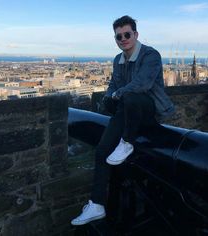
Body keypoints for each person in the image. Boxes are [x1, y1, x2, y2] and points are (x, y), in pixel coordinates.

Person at [71, 15, 175, 226]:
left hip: (148, 109)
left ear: (135, 35)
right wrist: (110, 98)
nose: (123, 39)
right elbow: (113, 85)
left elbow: (142, 84)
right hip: (126, 111)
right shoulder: (118, 60)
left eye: (127, 34)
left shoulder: (151, 55)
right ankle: (97, 204)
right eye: (119, 36)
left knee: (131, 95)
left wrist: (117, 95)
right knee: (102, 151)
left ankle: (127, 142)